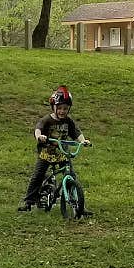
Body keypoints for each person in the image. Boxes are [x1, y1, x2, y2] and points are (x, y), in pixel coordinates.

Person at [19, 85, 90, 213]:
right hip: (46, 154)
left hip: (62, 153)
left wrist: (83, 141)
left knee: (71, 176)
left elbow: (76, 133)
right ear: (54, 107)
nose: (62, 111)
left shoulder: (68, 121)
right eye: (60, 108)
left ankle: (80, 206)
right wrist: (39, 137)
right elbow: (38, 128)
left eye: (65, 108)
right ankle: (29, 202)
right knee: (38, 176)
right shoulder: (47, 120)